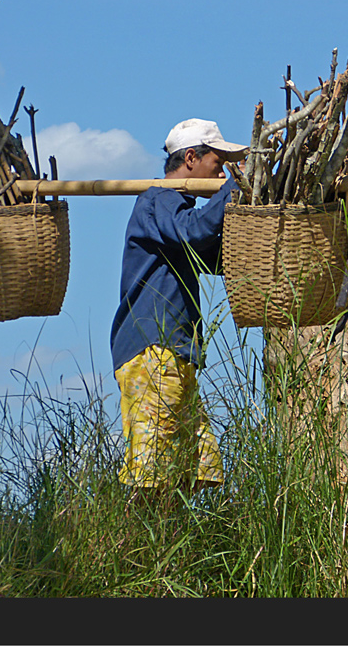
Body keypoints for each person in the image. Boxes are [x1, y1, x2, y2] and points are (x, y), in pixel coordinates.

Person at [110, 118, 248, 505]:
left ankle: (172, 549)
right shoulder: (160, 200)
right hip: (153, 352)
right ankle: (137, 552)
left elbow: (213, 252)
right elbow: (195, 232)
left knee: (192, 469)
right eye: (218, 164)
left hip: (176, 353)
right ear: (191, 158)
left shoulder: (177, 215)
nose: (221, 173)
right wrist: (233, 191)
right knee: (152, 472)